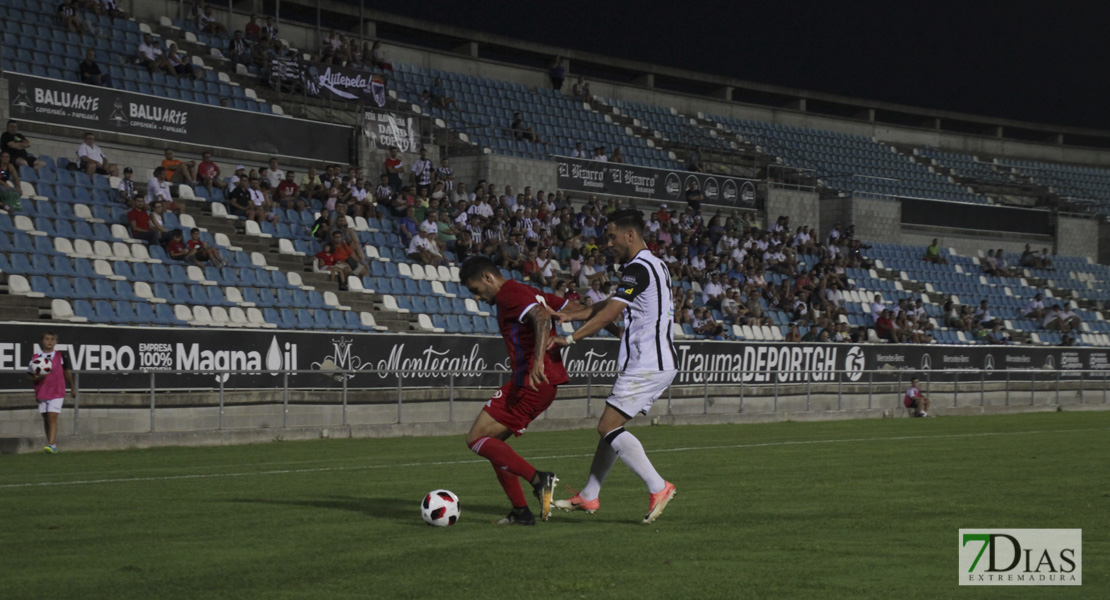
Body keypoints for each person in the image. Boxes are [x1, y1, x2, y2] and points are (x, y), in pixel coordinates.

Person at [551, 209, 678, 524]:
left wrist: (571, 338)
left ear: (629, 235)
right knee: (611, 429)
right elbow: (613, 302)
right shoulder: (653, 264)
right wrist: (575, 314)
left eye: (611, 236)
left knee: (607, 427)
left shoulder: (638, 267)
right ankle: (590, 495)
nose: (608, 243)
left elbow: (612, 313)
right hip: (655, 360)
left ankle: (658, 486)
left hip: (648, 362)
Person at [459, 256, 563, 525]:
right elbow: (567, 306)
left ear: (487, 278)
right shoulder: (525, 290)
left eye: (476, 290)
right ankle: (520, 511)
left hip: (531, 382)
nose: (478, 297)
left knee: (476, 438)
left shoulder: (509, 294)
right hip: (535, 382)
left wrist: (538, 359)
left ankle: (540, 479)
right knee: (493, 445)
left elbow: (540, 316)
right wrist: (610, 319)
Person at [27, 331, 76, 454]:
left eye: (52, 339)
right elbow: (30, 375)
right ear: (42, 341)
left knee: (52, 416)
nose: (49, 341)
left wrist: (72, 387)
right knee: (46, 418)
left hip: (57, 391)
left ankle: (52, 444)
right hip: (42, 391)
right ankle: (50, 443)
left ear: (56, 342)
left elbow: (67, 372)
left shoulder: (61, 356)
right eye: (47, 339)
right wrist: (37, 378)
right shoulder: (36, 357)